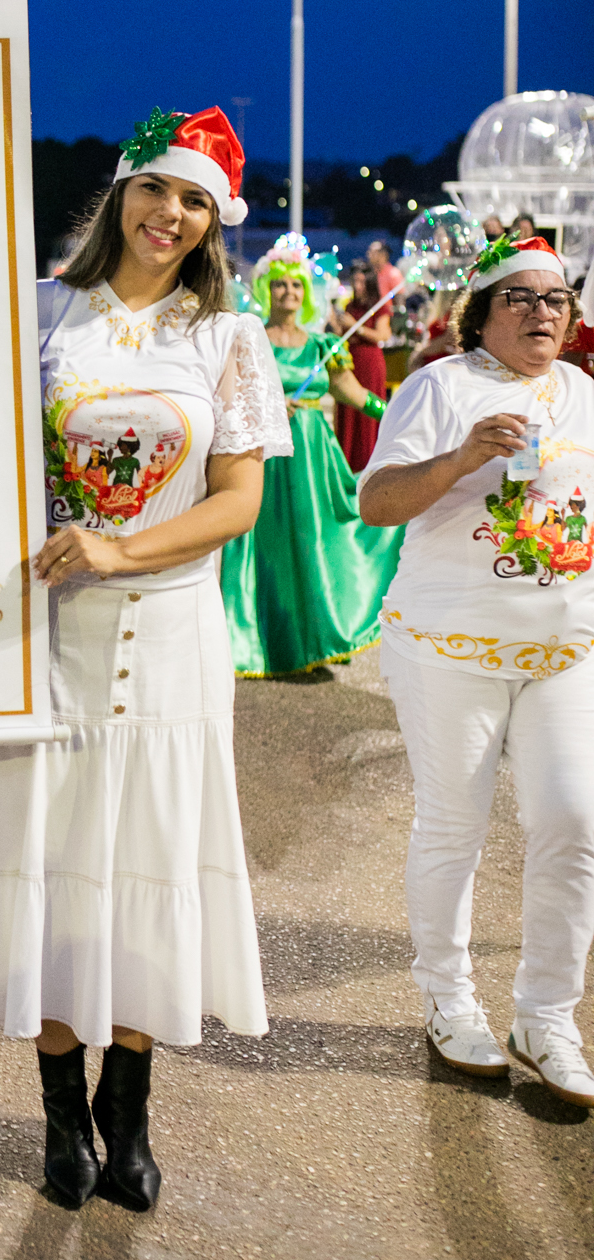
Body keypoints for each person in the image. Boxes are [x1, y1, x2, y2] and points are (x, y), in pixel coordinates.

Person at [0, 105, 291, 1211]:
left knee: (146, 870)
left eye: (194, 201)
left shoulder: (227, 336)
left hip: (171, 635)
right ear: (118, 193)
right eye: (154, 190)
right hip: (42, 634)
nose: (169, 215)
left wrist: (122, 544)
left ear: (213, 220)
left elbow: (240, 500)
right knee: (46, 865)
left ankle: (126, 1111)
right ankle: (59, 1117)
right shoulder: (37, 312)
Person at [359, 234, 594, 1105]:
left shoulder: (582, 395)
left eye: (555, 298)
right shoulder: (439, 386)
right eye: (520, 297)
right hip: (449, 644)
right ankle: (449, 1001)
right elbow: (375, 503)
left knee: (574, 820)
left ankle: (546, 1015)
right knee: (453, 826)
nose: (541, 310)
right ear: (481, 314)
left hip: (567, 651)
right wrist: (461, 456)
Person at [220, 235, 404, 676]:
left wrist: (398, 411)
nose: (289, 293)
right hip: (263, 457)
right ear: (267, 288)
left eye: (297, 286)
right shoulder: (247, 339)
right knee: (263, 547)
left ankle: (316, 636)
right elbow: (225, 393)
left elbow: (355, 395)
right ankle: (258, 642)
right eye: (281, 285)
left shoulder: (325, 347)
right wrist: (261, 405)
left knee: (313, 545)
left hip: (313, 461)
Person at [335, 262, 392, 472]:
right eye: (354, 281)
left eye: (361, 281)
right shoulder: (349, 306)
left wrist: (355, 327)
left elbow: (382, 336)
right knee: (349, 412)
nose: (358, 286)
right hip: (350, 362)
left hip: (370, 363)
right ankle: (347, 464)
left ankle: (368, 463)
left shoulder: (380, 305)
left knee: (366, 413)